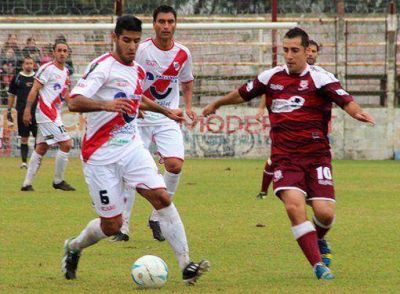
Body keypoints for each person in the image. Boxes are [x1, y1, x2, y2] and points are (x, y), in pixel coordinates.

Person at [202, 27, 374, 280]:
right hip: (285, 157)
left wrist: (356, 112)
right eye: (285, 50)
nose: (289, 55)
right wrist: (217, 103)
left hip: (317, 157)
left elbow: (344, 100)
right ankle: (318, 265)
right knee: (294, 207)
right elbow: (242, 93)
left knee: (325, 213)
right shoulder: (272, 77)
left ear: (307, 51)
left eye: (295, 50)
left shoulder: (321, 78)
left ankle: (317, 239)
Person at [62, 15, 209, 284]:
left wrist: (166, 111)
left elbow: (138, 97)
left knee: (162, 198)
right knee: (112, 225)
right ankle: (74, 247)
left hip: (131, 149)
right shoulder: (102, 67)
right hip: (100, 156)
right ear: (114, 38)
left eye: (135, 41)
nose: (131, 47)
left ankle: (186, 265)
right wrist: (106, 105)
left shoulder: (137, 71)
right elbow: (73, 101)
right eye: (126, 40)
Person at [113, 5, 197, 242]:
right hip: (139, 117)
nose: (166, 26)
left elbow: (187, 81)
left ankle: (156, 217)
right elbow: (128, 77)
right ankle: (123, 226)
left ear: (176, 24)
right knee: (131, 168)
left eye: (171, 21)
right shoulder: (142, 50)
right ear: (154, 24)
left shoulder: (183, 53)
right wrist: (134, 104)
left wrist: (188, 107)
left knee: (175, 165)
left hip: (167, 116)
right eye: (162, 22)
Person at [254, 39, 321, 200]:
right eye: (309, 50)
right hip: (287, 125)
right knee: (275, 159)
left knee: (311, 160)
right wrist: (262, 108)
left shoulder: (320, 75)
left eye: (314, 51)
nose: (311, 53)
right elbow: (269, 90)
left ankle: (310, 190)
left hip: (310, 129)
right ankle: (264, 191)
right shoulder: (285, 72)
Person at [21, 40, 75, 192]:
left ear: (68, 53)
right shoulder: (47, 69)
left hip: (54, 113)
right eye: (59, 50)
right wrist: (27, 109)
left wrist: (75, 105)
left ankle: (26, 184)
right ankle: (58, 180)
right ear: (54, 52)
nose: (62, 53)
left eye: (65, 50)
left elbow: (65, 93)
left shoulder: (66, 72)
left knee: (42, 147)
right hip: (45, 112)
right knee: (66, 143)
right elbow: (35, 89)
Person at [7, 56, 37, 168]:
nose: (29, 65)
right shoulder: (17, 77)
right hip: (21, 112)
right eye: (27, 63)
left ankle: (35, 162)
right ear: (23, 65)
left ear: (34, 65)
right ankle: (24, 163)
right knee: (24, 138)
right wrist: (9, 110)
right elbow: (11, 95)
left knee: (37, 138)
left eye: (31, 63)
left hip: (36, 113)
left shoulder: (37, 77)